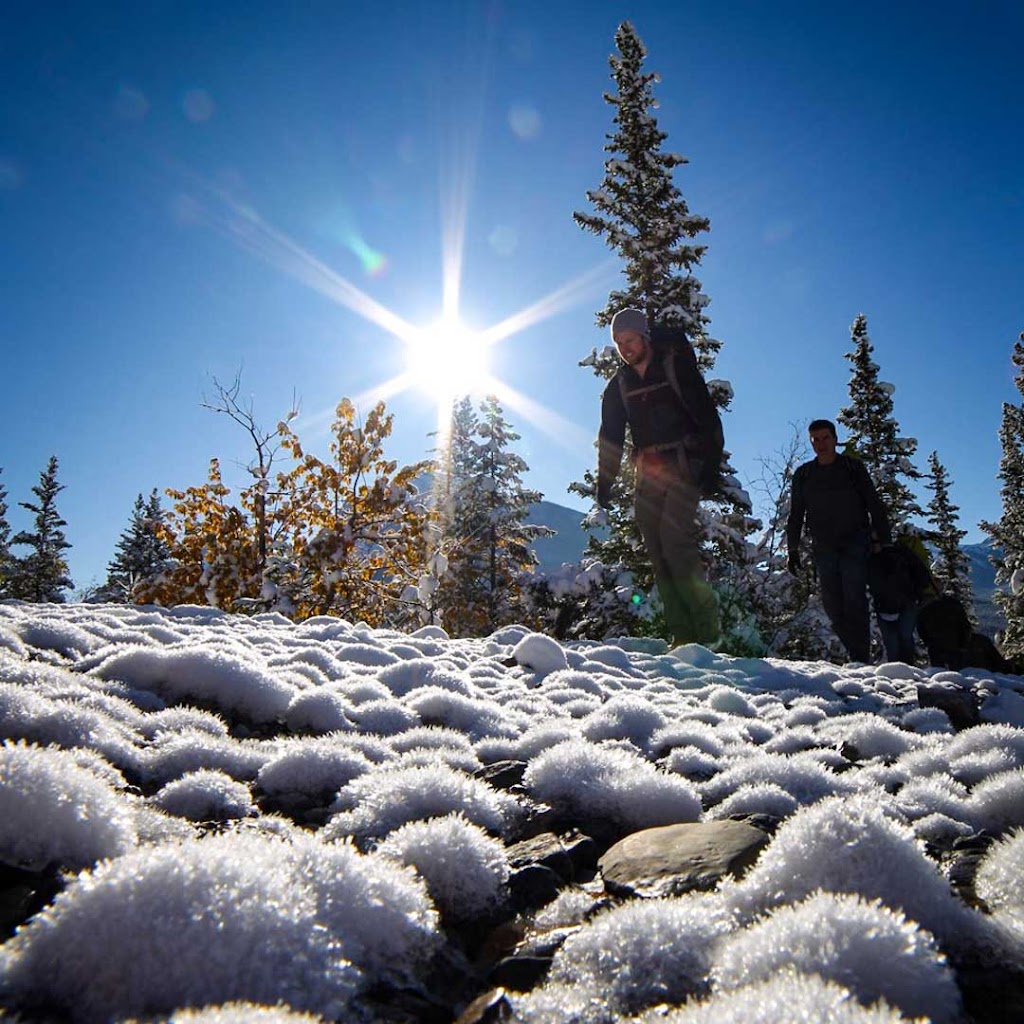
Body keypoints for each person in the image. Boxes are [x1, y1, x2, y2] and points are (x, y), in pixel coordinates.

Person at [596, 308, 724, 648]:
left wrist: (712, 466)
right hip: (648, 473)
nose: (625, 348)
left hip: (683, 465)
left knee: (674, 539)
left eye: (630, 340)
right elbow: (610, 436)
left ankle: (707, 631)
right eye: (619, 343)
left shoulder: (675, 368)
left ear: (644, 337)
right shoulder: (619, 386)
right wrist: (604, 482)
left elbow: (708, 417)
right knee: (657, 549)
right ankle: (682, 635)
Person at [786, 419, 891, 663]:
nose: (821, 444)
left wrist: (884, 541)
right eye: (815, 439)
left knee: (854, 596)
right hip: (823, 546)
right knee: (832, 604)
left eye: (825, 438)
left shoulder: (852, 468)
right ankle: (856, 651)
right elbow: (796, 514)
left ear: (835, 439)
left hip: (856, 540)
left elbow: (873, 504)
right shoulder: (804, 475)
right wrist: (792, 549)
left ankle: (860, 658)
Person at [867, 535, 935, 663]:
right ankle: (903, 670)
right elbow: (923, 578)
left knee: (895, 641)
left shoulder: (872, 559)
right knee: (903, 639)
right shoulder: (902, 554)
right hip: (900, 604)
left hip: (894, 605)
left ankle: (900, 671)